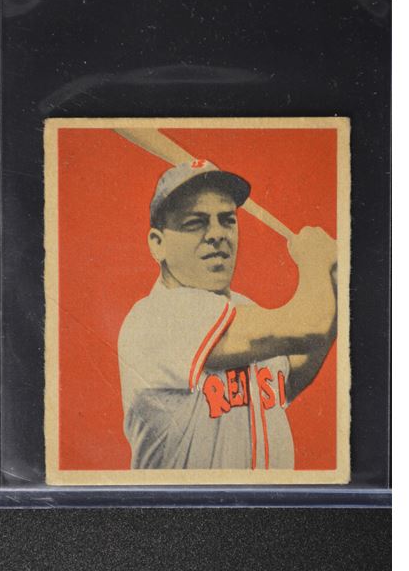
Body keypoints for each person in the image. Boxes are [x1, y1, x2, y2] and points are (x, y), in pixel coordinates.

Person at [118, 159, 337, 470]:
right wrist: (316, 260)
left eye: (227, 220)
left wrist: (335, 285)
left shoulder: (243, 310)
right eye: (195, 223)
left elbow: (290, 377)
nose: (216, 234)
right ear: (158, 244)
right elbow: (309, 327)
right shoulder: (156, 317)